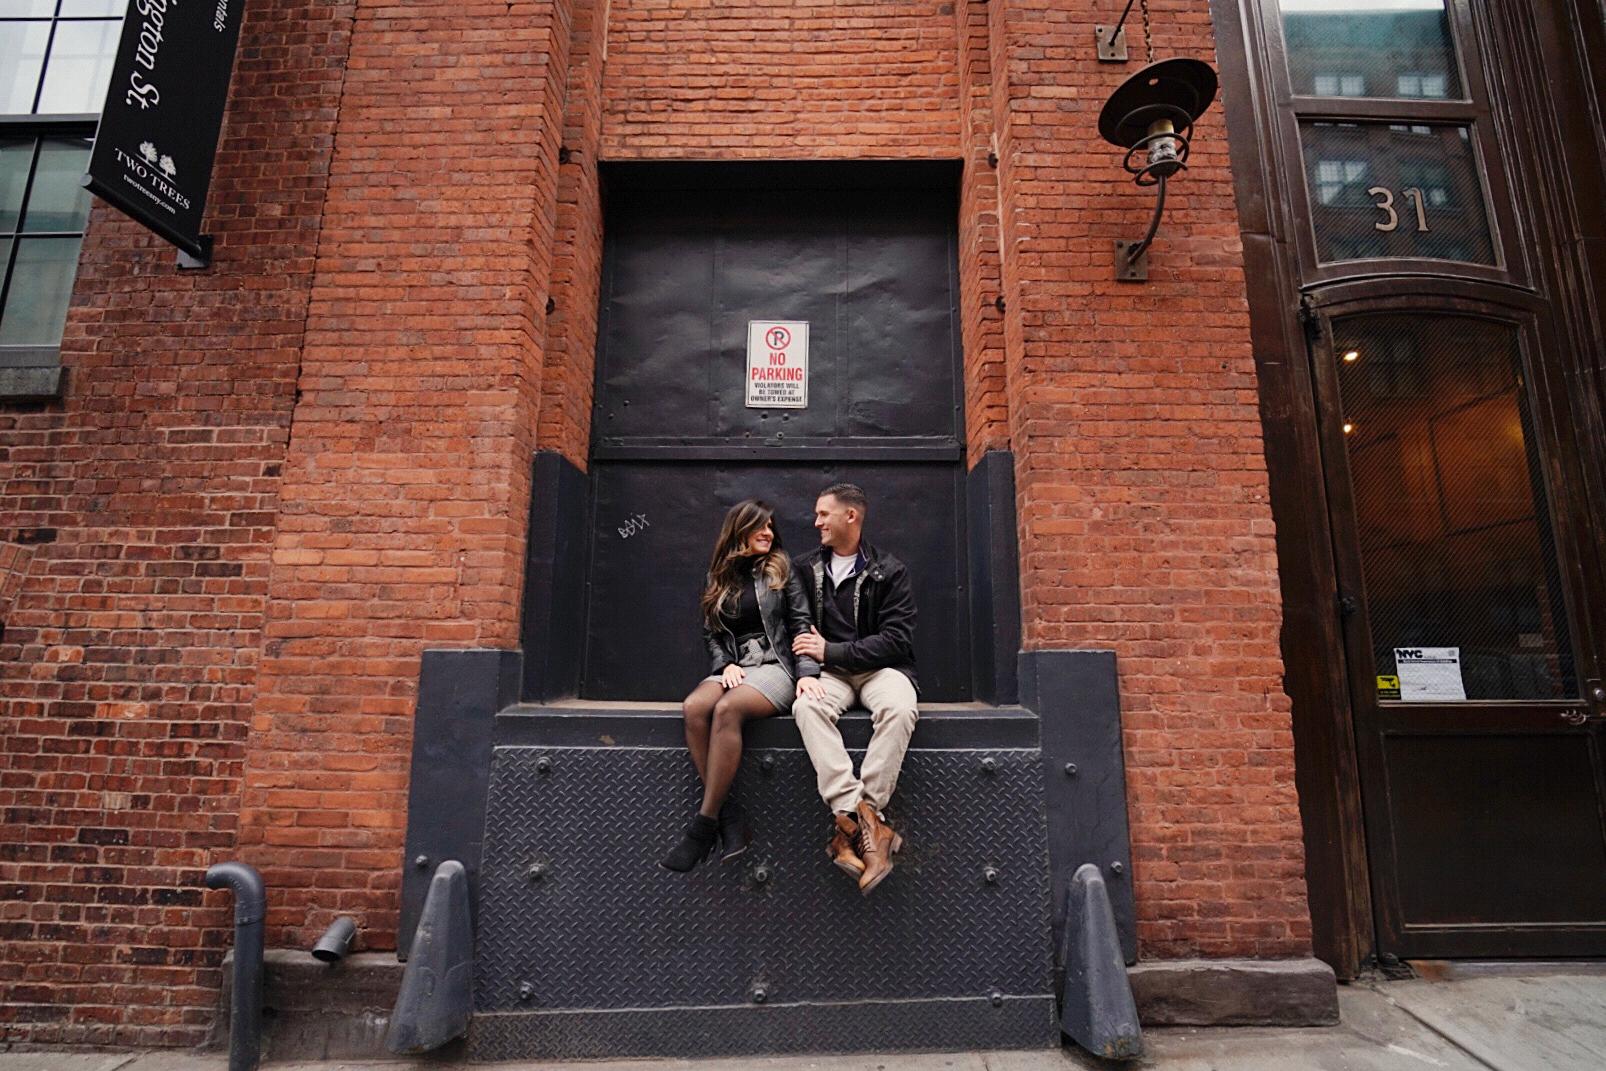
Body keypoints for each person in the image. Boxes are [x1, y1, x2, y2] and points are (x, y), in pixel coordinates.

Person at [661, 499, 821, 871]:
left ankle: (703, 827)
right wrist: (725, 663)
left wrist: (807, 674)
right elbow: (712, 633)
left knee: (727, 709)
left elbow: (801, 623)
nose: (768, 532)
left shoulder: (782, 568)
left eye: (770, 526)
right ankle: (729, 814)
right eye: (759, 526)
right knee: (694, 708)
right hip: (737, 667)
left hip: (776, 665)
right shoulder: (718, 575)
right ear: (740, 530)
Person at [791, 483, 918, 895]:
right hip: (830, 673)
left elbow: (896, 640)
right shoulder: (804, 569)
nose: (816, 522)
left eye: (823, 514)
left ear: (851, 516)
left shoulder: (890, 571)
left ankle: (857, 824)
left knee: (900, 709)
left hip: (882, 670)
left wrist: (831, 649)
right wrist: (810, 669)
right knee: (806, 708)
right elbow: (797, 628)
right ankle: (861, 819)